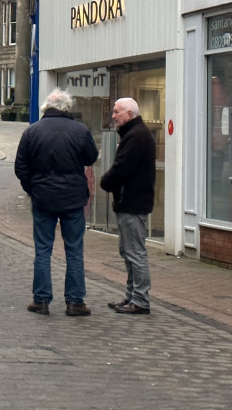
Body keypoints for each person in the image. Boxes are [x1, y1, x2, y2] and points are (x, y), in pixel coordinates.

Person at [14, 89, 97, 316]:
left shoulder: (32, 132)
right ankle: (75, 301)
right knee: (74, 250)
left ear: (46, 108)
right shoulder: (80, 131)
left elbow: (20, 167)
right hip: (72, 199)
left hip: (43, 198)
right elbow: (91, 158)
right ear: (67, 108)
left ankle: (41, 300)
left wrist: (33, 189)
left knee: (42, 250)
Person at [100, 97, 157, 315]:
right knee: (128, 251)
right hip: (129, 202)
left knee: (135, 253)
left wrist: (105, 182)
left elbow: (121, 168)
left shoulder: (136, 137)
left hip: (133, 203)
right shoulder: (135, 135)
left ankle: (140, 300)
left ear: (130, 114)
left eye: (117, 112)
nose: (113, 116)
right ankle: (132, 296)